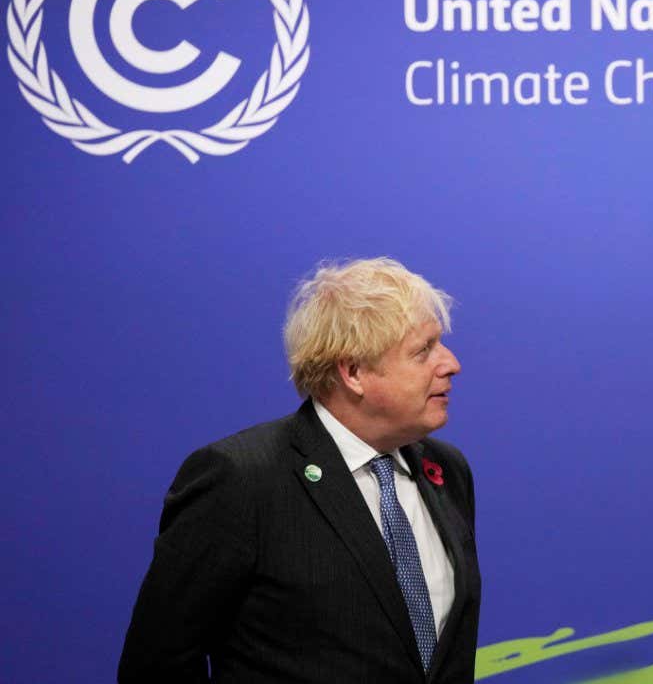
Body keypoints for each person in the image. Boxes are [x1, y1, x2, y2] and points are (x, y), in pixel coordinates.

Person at [119, 257, 480, 683]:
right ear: (353, 372)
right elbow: (157, 665)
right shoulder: (242, 479)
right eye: (423, 350)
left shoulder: (446, 470)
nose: (451, 363)